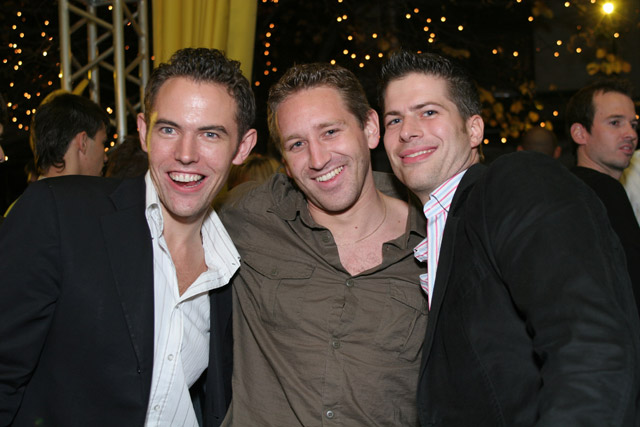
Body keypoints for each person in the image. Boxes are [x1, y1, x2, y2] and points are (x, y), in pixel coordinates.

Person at [379, 50, 640, 426]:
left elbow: (592, 345)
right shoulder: (440, 234)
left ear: (474, 130)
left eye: (429, 111)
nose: (407, 130)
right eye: (394, 119)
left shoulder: (515, 181)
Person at [0, 47, 256, 426]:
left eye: (210, 134)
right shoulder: (59, 214)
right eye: (168, 129)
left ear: (243, 147)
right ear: (143, 132)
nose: (186, 154)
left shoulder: (237, 263)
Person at [219, 63, 427, 426]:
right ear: (285, 162)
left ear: (370, 127)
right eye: (297, 144)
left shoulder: (437, 238)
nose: (318, 159)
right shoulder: (249, 215)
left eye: (330, 132)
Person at [567, 79, 640, 317]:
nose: (631, 134)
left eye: (633, 124)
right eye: (615, 123)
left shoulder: (569, 187)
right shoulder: (603, 190)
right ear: (580, 133)